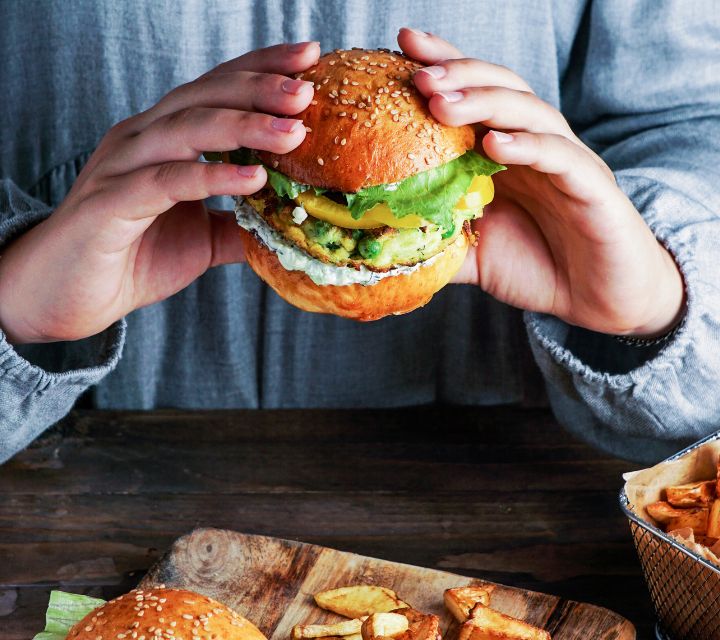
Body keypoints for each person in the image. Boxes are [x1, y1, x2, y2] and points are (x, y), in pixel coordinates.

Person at [0, 1, 717, 465]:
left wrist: (659, 295)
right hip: (83, 484)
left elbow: (691, 116)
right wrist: (15, 308)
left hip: (509, 487)